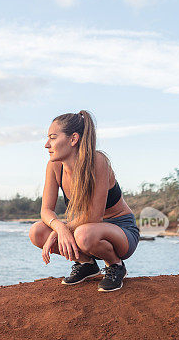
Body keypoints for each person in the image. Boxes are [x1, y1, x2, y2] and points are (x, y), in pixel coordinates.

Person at [28, 110, 140, 291]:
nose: (47, 144)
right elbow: (46, 211)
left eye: (53, 138)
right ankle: (87, 264)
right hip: (83, 227)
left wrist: (58, 232)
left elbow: (94, 217)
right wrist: (60, 227)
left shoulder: (97, 161)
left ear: (73, 139)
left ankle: (115, 266)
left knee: (84, 234)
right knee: (37, 232)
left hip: (120, 230)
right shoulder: (54, 166)